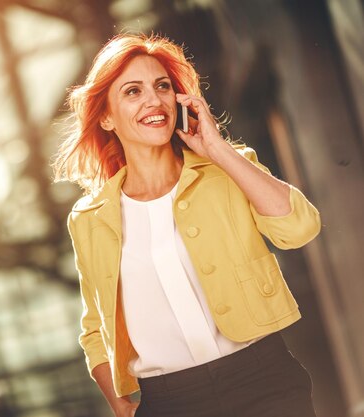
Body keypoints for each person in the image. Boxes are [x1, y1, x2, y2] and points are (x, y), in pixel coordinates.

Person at [52, 33, 321, 417]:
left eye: (162, 86)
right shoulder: (89, 219)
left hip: (263, 379)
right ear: (107, 116)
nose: (153, 99)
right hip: (169, 401)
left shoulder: (227, 170)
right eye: (133, 91)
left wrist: (218, 149)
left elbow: (299, 229)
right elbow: (95, 326)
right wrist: (119, 403)